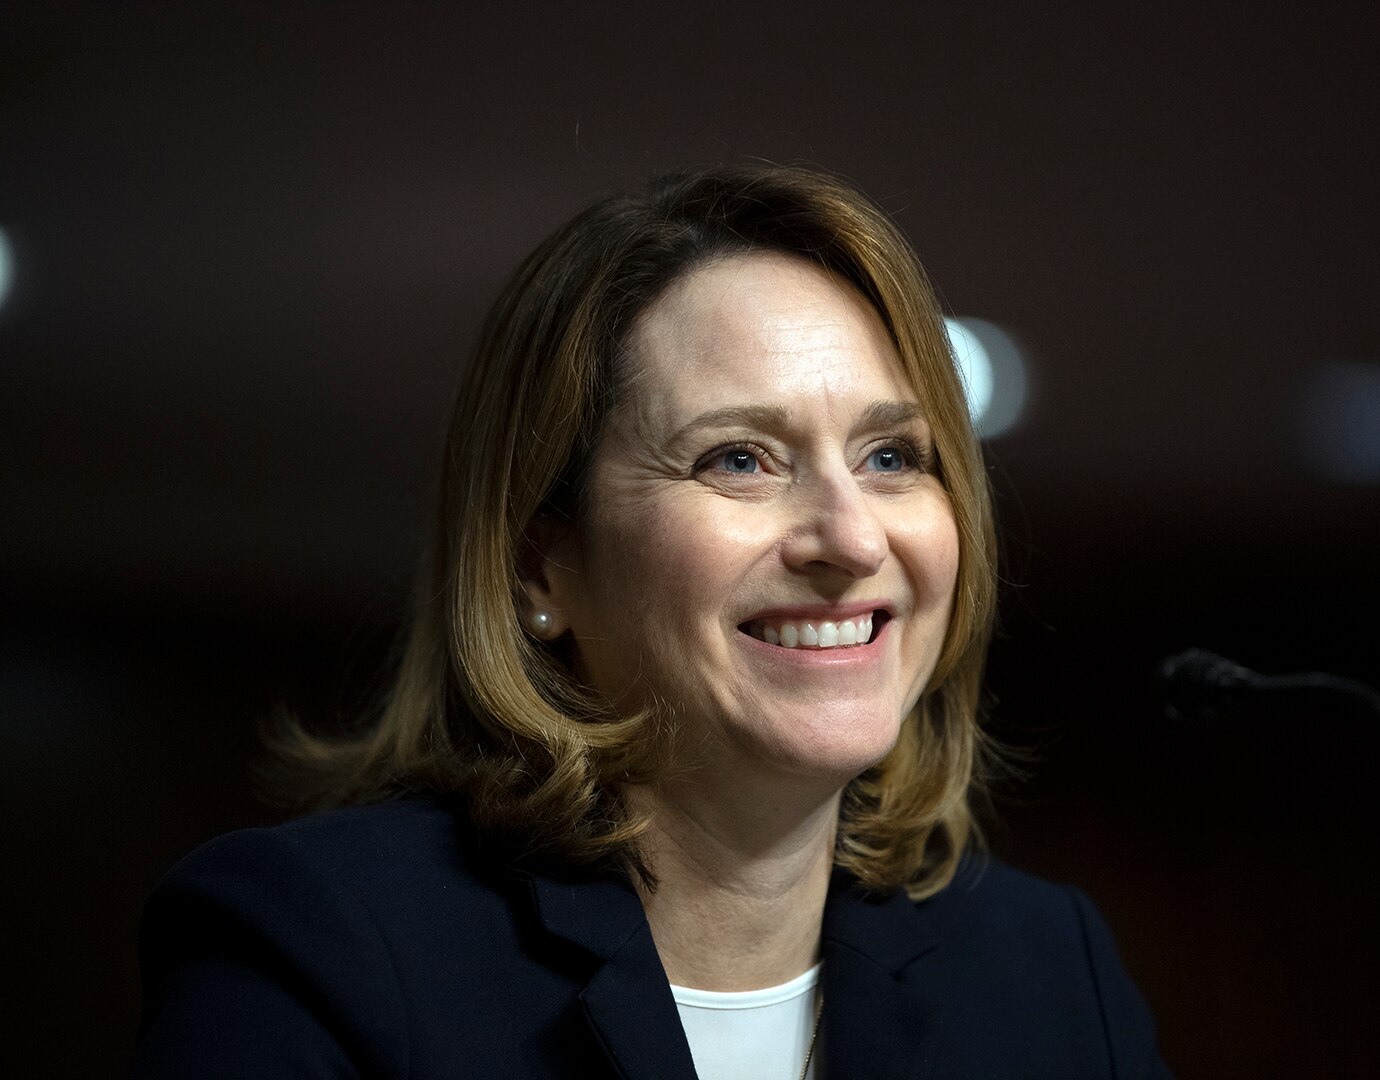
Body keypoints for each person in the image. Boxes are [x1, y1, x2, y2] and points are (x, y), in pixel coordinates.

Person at [130, 163, 1171, 1079]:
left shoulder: (1048, 967)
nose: (851, 541)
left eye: (891, 455)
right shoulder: (323, 949)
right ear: (544, 566)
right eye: (739, 460)